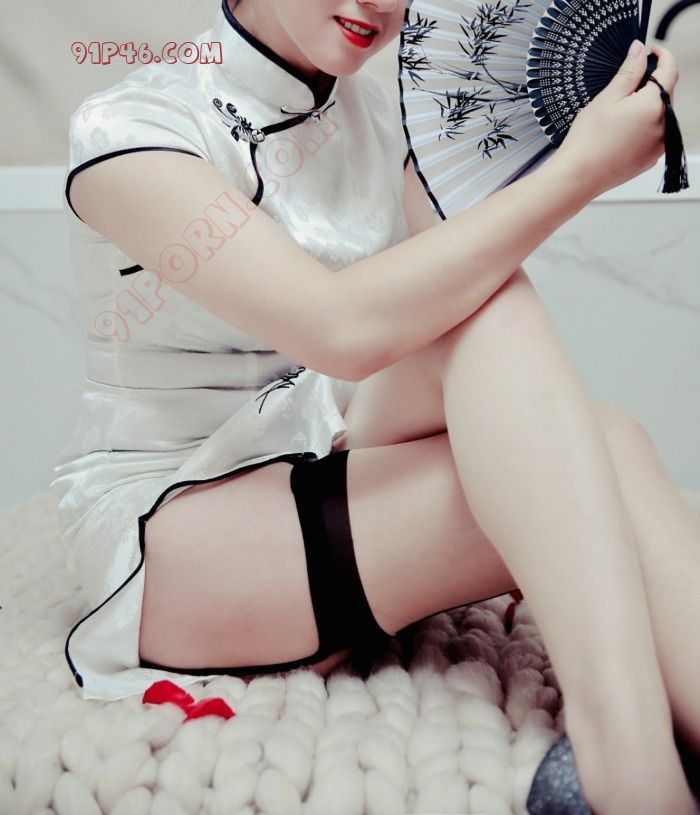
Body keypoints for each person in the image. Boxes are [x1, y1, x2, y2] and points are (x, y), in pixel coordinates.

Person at [49, 0, 699, 811]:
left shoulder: (388, 119)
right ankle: (629, 769)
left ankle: (640, 759)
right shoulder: (130, 129)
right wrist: (580, 173)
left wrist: (579, 137)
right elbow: (341, 330)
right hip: (175, 538)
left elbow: (465, 317)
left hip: (320, 457)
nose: (378, 4)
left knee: (564, 391)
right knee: (587, 448)